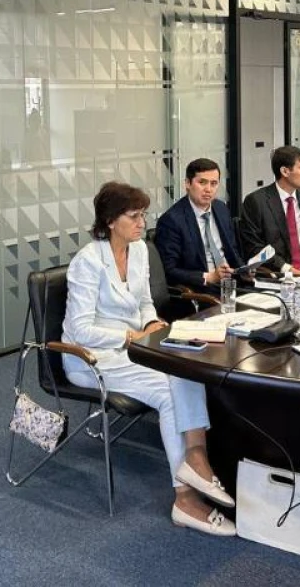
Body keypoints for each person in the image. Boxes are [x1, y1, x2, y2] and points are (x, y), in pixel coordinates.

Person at [63, 182, 236, 537]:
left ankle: (196, 459)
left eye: (143, 215)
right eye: (134, 216)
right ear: (110, 220)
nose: (143, 223)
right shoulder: (87, 261)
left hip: (133, 347)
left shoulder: (140, 249)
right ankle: (185, 499)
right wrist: (132, 336)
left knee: (187, 368)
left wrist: (149, 323)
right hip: (91, 358)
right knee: (167, 391)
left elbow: (143, 302)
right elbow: (81, 330)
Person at [238, 145, 300, 274]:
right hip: (279, 272)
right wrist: (287, 269)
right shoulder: (256, 202)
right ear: (285, 171)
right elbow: (254, 247)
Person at [154, 158, 241, 293]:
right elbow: (168, 270)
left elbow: (232, 251)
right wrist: (208, 277)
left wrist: (244, 271)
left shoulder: (221, 209)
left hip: (233, 283)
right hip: (202, 290)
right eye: (202, 182)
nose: (208, 189)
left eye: (213, 183)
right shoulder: (171, 221)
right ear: (187, 183)